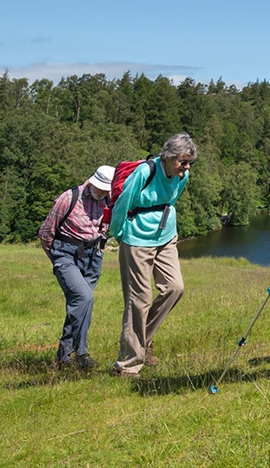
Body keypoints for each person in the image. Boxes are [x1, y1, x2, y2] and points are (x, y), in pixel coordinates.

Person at [109, 133, 195, 377]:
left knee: (175, 288)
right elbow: (123, 202)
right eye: (183, 161)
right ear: (168, 157)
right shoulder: (144, 173)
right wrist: (118, 232)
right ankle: (128, 365)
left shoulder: (183, 176)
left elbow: (172, 200)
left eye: (190, 162)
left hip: (166, 236)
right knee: (139, 300)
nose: (187, 167)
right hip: (137, 238)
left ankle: (143, 339)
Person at [38, 165, 115, 369]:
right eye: (103, 189)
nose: (105, 193)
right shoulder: (69, 198)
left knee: (83, 304)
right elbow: (46, 232)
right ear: (92, 183)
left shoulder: (108, 200)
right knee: (83, 297)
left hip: (93, 256)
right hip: (67, 254)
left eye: (108, 190)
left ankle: (80, 354)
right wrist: (56, 259)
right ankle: (65, 351)